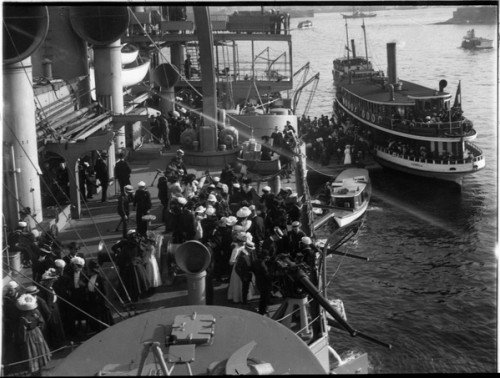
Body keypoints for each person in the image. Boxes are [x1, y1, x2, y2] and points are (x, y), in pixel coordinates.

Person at [15, 294, 52, 375]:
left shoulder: (23, 318)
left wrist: (21, 340)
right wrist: (39, 328)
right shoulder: (36, 312)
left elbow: (21, 333)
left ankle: (35, 369)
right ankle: (40, 367)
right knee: (39, 349)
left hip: (29, 336)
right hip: (37, 332)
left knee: (31, 351)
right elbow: (42, 322)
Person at [86, 260, 114, 334]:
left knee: (101, 315)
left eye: (88, 269)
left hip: (100, 301)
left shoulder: (100, 278)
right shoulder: (89, 277)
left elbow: (105, 292)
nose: (87, 270)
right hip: (93, 300)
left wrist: (104, 301)